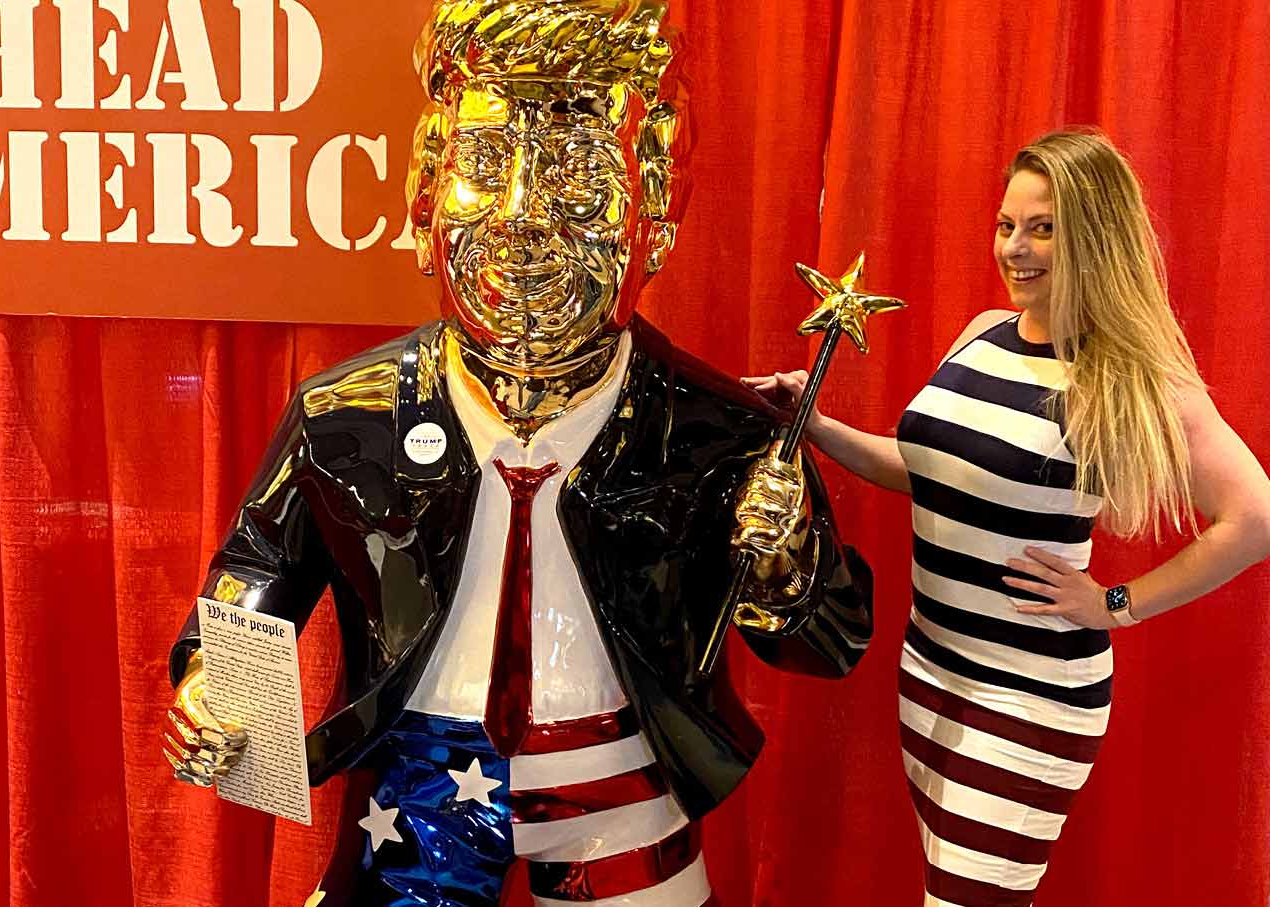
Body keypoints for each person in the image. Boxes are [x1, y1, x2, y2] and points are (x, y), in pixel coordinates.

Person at [160, 2, 874, 905]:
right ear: (425, 195)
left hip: (624, 805)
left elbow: (830, 644)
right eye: (487, 165)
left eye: (577, 172)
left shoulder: (720, 436)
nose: (524, 218)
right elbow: (258, 568)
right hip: (414, 801)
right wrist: (217, 684)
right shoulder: (347, 416)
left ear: (654, 196)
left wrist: (782, 562)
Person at [745, 129, 1270, 905]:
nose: (1015, 248)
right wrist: (819, 427)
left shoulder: (1127, 378)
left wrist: (1114, 604)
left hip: (1028, 698)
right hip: (929, 672)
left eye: (1043, 227)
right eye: (1006, 225)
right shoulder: (982, 334)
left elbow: (1254, 517)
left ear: (1094, 236)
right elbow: (924, 470)